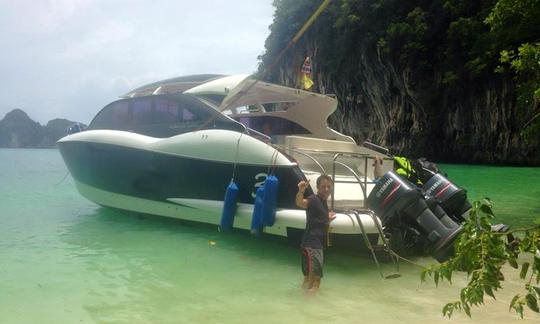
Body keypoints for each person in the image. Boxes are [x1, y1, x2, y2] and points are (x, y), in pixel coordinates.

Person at [295, 175, 336, 293]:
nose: (327, 189)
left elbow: (317, 218)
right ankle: (308, 309)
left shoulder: (323, 203)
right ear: (317, 187)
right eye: (323, 187)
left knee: (308, 280)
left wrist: (326, 218)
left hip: (309, 245)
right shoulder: (313, 199)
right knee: (315, 283)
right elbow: (300, 203)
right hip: (313, 246)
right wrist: (301, 191)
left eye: (329, 187)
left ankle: (300, 304)